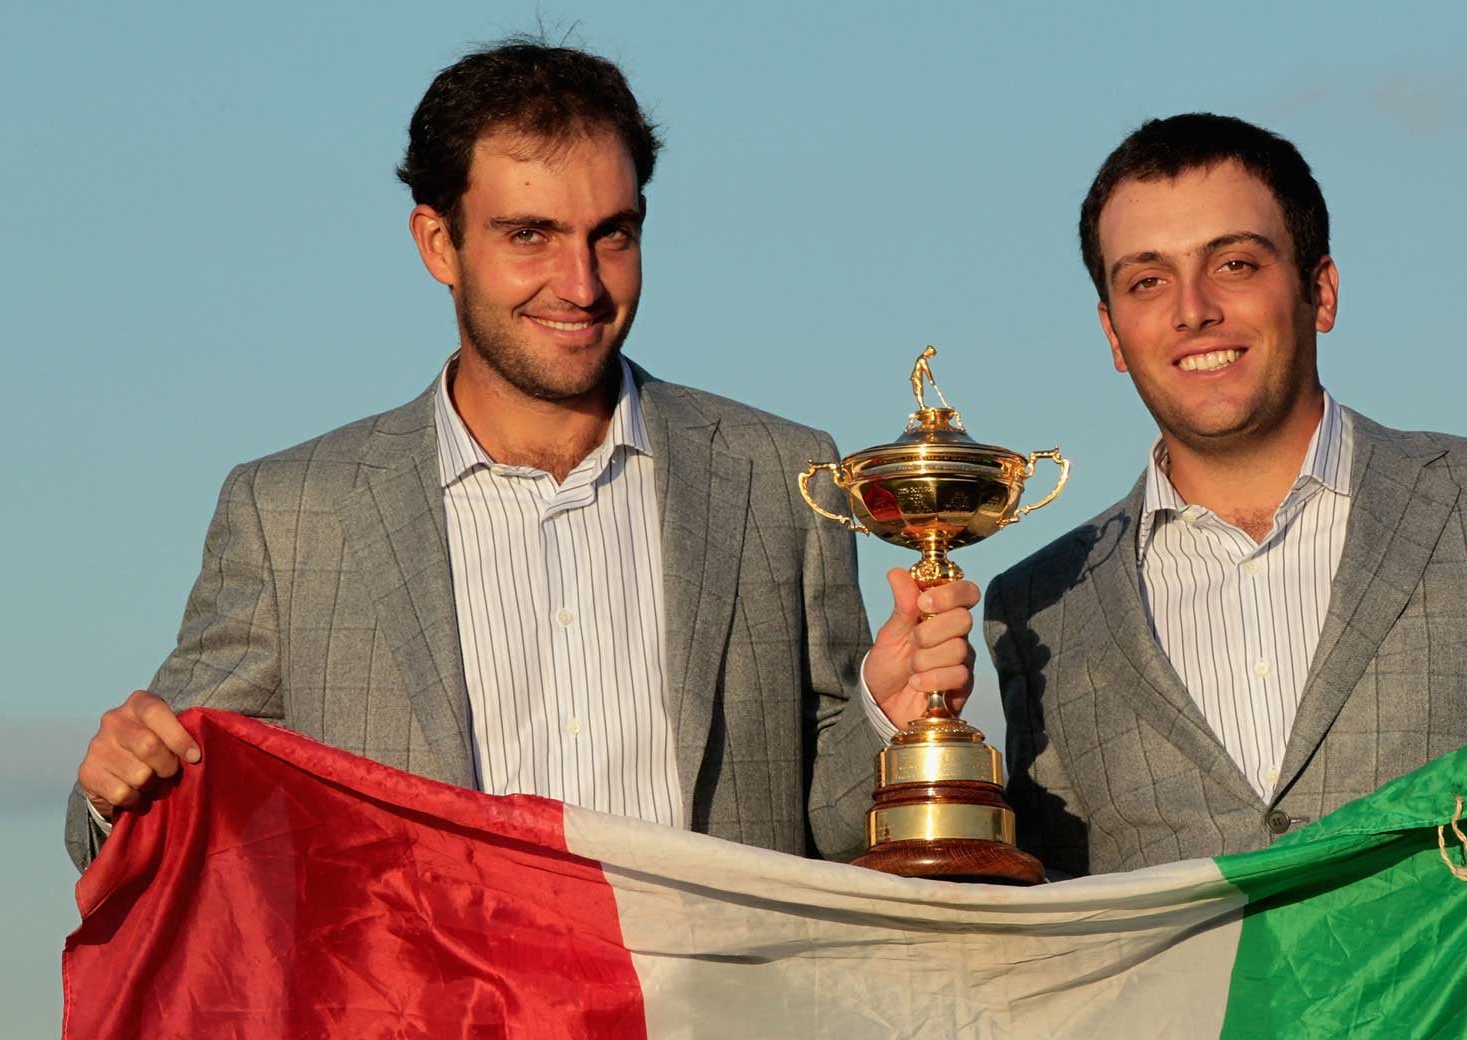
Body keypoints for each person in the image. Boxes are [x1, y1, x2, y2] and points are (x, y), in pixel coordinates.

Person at [66, 38, 978, 871]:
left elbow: (831, 835)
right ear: (439, 243)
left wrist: (885, 718)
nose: (579, 285)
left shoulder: (777, 478)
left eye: (612, 234)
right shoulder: (293, 515)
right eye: (529, 235)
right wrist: (114, 790)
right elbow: (146, 806)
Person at [986, 113, 1467, 887]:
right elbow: (1044, 901)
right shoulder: (1039, 606)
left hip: (1459, 1009)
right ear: (1113, 334)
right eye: (1147, 281)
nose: (1193, 310)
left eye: (1235, 265)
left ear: (1320, 291)